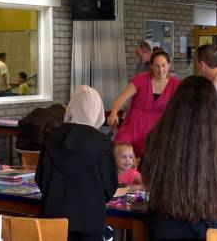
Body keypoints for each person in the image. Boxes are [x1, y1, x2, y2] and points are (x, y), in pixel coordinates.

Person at [141, 76, 217, 241]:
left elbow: (146, 176)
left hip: (160, 225)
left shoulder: (157, 137)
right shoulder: (214, 145)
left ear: (175, 104)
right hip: (202, 227)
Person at [35, 85, 118, 241]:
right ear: (97, 110)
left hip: (54, 215)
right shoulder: (103, 144)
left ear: (72, 106)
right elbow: (109, 186)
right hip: (91, 218)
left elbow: (41, 177)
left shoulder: (51, 138)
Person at [107, 51, 180, 157]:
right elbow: (123, 97)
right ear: (151, 66)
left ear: (169, 65)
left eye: (163, 65)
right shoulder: (141, 79)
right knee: (120, 151)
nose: (160, 70)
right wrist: (114, 112)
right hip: (134, 125)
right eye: (157, 66)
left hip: (159, 128)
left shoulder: (176, 85)